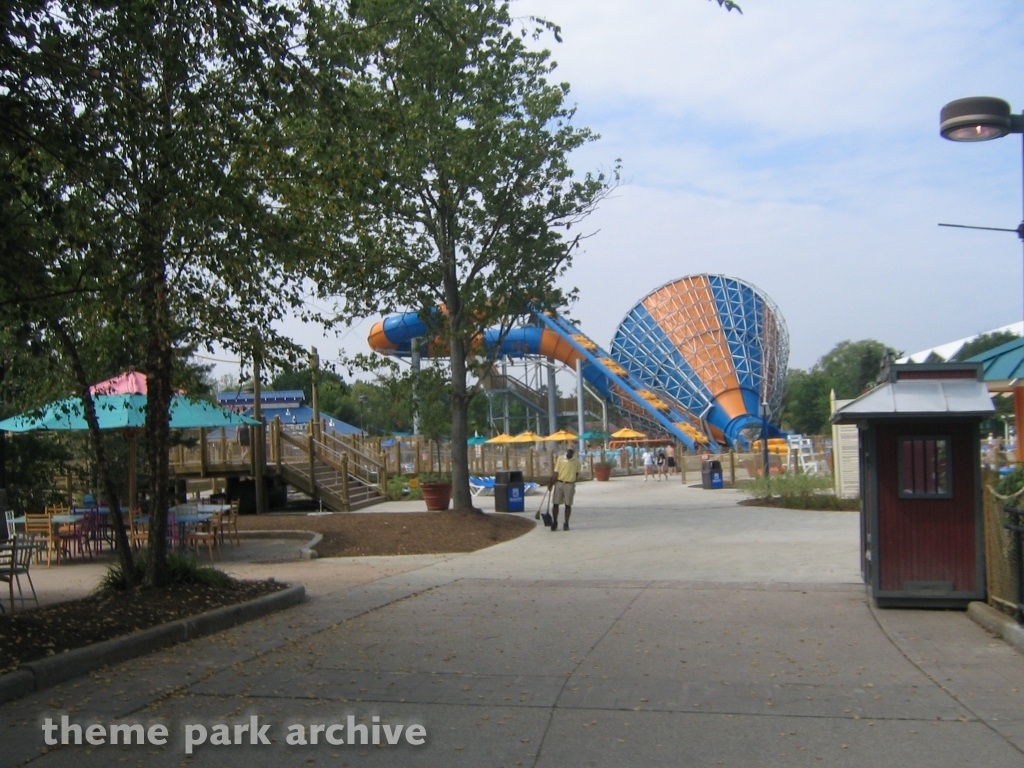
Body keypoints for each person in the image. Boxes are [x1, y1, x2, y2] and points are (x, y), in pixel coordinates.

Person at [548, 447, 581, 531]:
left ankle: (566, 523)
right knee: (555, 503)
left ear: (573, 452)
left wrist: (572, 481)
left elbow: (576, 473)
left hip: (569, 484)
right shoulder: (560, 459)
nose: (570, 452)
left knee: (568, 504)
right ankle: (554, 522)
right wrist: (551, 483)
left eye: (571, 451)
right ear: (567, 451)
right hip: (559, 483)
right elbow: (556, 471)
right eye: (569, 450)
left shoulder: (576, 461)